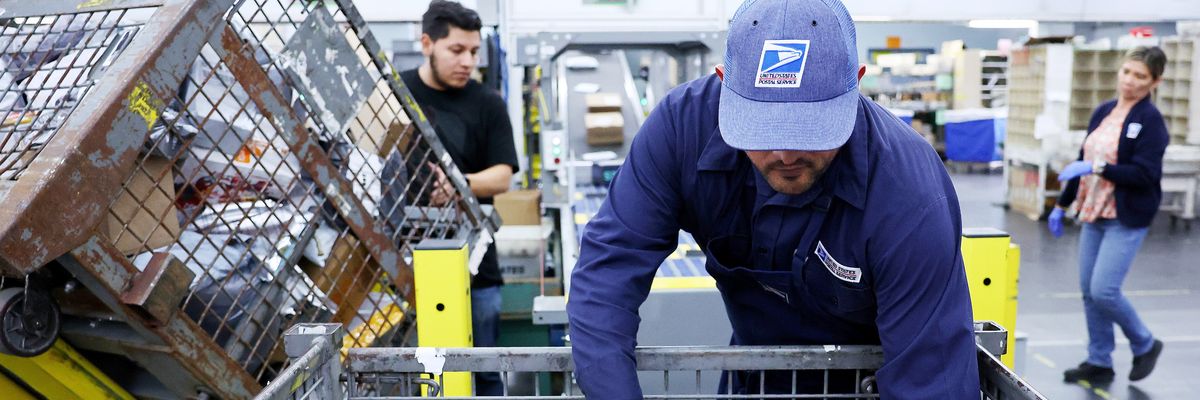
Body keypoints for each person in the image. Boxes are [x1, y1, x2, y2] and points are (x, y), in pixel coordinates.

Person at [565, 0, 979, 398]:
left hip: (866, 388)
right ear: (724, 83)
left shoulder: (907, 195)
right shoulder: (682, 131)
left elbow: (930, 380)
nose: (785, 155)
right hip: (752, 383)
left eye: (810, 130)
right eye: (762, 129)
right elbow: (607, 276)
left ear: (856, 83)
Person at [400, 1, 519, 395]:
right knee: (411, 376)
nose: (467, 61)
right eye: (456, 50)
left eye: (473, 51)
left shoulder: (487, 103)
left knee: (483, 372)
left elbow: (502, 175)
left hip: (476, 268)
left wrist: (459, 184)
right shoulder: (394, 96)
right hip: (401, 265)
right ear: (426, 43)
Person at [1048, 46, 1168, 384]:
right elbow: (1080, 162)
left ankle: (1144, 342)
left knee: (1104, 290)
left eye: (1140, 76)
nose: (1129, 81)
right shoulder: (1103, 111)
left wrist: (1100, 167)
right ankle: (1099, 360)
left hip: (1125, 216)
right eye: (1127, 71)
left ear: (1155, 81)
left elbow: (1145, 174)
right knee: (1088, 291)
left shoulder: (1151, 121)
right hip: (1093, 212)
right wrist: (1061, 204)